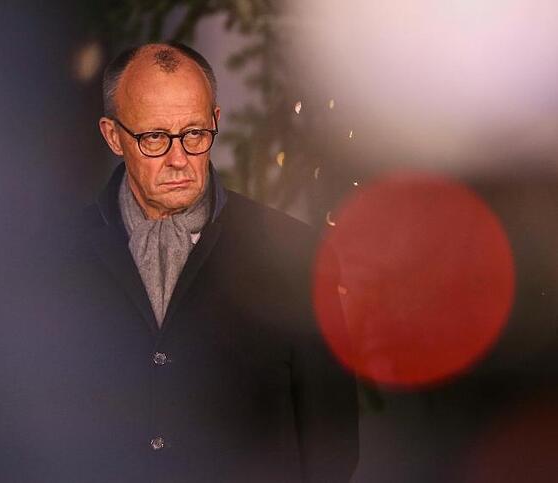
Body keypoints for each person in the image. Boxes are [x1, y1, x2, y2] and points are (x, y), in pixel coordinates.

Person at [47, 42, 358, 482]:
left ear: (215, 120)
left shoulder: (296, 257)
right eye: (154, 138)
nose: (179, 160)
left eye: (194, 134)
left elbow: (332, 446)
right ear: (113, 136)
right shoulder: (52, 260)